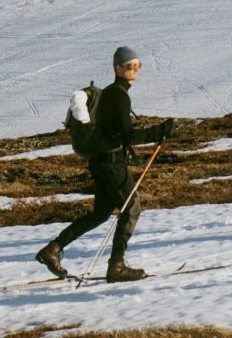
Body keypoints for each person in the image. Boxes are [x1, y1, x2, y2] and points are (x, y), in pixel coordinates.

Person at [35, 46, 175, 282]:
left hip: (100, 160)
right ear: (117, 68)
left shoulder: (112, 93)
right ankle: (116, 267)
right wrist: (160, 131)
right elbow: (127, 136)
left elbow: (117, 133)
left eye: (137, 65)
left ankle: (53, 249)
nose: (134, 70)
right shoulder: (118, 95)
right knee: (132, 208)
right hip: (111, 162)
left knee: (101, 213)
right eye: (129, 66)